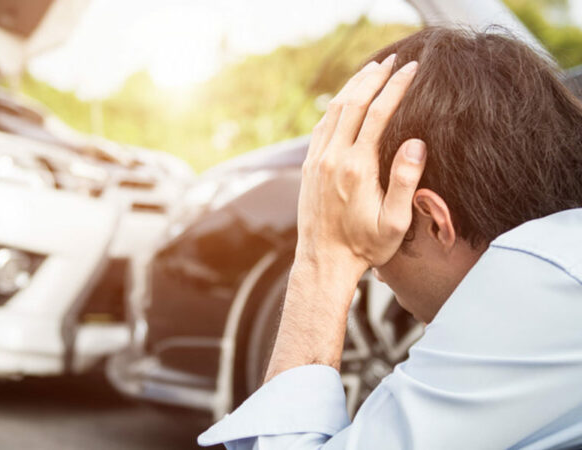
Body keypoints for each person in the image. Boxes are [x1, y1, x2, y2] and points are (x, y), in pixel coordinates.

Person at [198, 27, 582, 449]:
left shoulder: (529, 287)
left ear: (433, 220)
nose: (378, 276)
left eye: (375, 250)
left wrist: (323, 253)